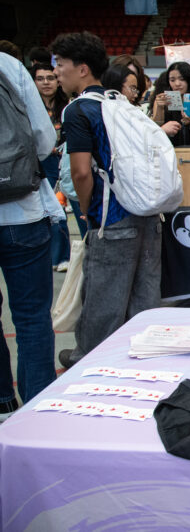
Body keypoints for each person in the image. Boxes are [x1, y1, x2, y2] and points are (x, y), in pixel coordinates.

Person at [51, 31, 162, 368]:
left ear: (82, 69)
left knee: (103, 303)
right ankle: (144, 365)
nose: (57, 72)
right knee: (144, 303)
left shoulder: (78, 109)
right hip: (147, 212)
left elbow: (81, 171)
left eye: (61, 65)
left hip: (110, 217)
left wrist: (87, 211)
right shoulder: (122, 105)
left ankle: (90, 365)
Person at [0, 52, 65, 415]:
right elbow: (43, 140)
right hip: (21, 210)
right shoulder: (7, 65)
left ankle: (3, 402)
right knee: (31, 317)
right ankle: (37, 407)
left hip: (22, 211)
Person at [31, 62, 74, 269]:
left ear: (58, 80)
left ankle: (70, 257)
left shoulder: (69, 104)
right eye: (40, 79)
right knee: (52, 211)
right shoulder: (28, 107)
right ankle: (57, 257)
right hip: (42, 163)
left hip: (68, 160)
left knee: (73, 208)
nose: (46, 83)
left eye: (50, 78)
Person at [150, 61, 190, 146]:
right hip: (169, 153)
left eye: (182, 79)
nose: (177, 84)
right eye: (172, 80)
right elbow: (153, 133)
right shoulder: (161, 102)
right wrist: (160, 109)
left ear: (189, 80)